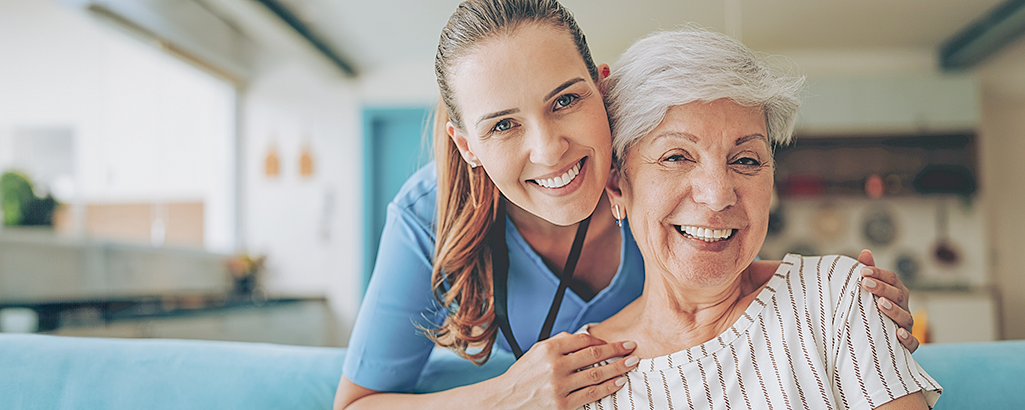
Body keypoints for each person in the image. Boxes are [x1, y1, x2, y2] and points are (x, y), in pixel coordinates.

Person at [335, 1, 919, 409]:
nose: (549, 149)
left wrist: (830, 292)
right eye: (504, 125)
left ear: (601, 88)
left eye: (565, 100)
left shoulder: (644, 169)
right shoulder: (425, 217)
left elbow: (711, 254)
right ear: (469, 147)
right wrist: (507, 396)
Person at [581, 27, 941, 409]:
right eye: (677, 157)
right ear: (617, 184)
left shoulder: (835, 296)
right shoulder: (576, 374)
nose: (718, 195)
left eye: (746, 160)